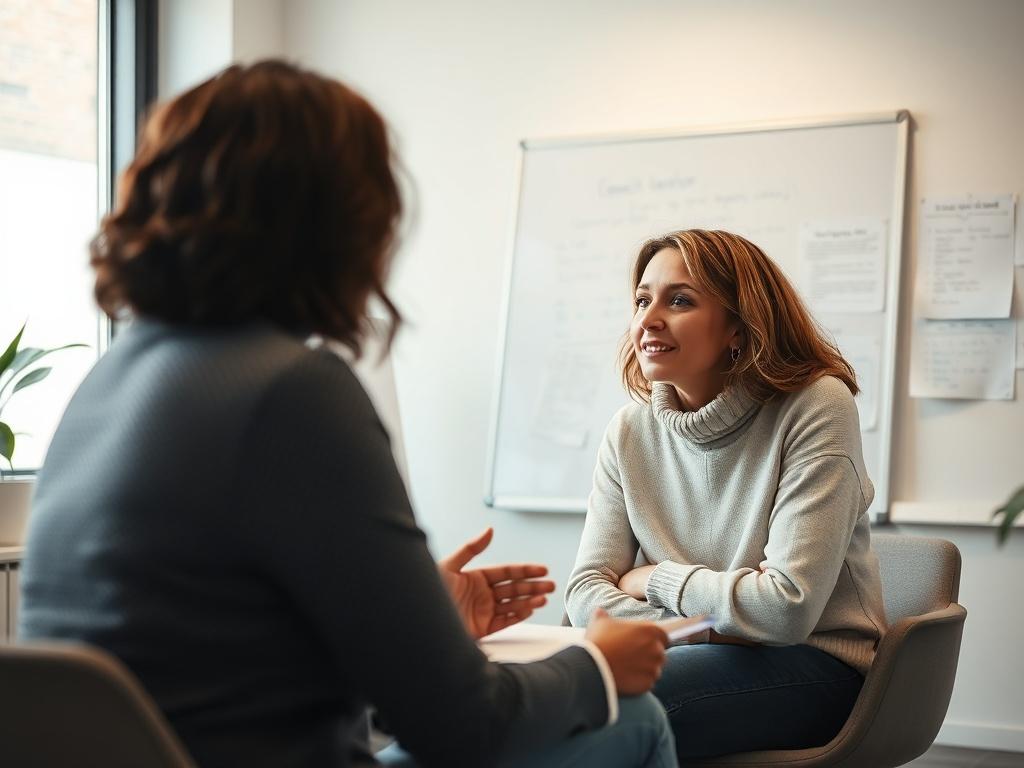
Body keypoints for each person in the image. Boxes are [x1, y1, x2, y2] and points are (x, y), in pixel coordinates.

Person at [19, 61, 677, 768]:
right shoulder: (292, 392)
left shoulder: (105, 385)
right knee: (634, 717)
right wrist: (598, 666)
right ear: (342, 221)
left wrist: (428, 626)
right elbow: (465, 726)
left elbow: (225, 669)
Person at [565, 229, 888, 759]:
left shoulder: (816, 406)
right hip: (695, 652)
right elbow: (583, 594)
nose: (647, 320)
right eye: (643, 300)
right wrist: (702, 631)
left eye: (680, 300)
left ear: (739, 325)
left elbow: (786, 610)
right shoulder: (628, 431)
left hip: (817, 665)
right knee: (547, 689)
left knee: (626, 702)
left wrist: (654, 579)